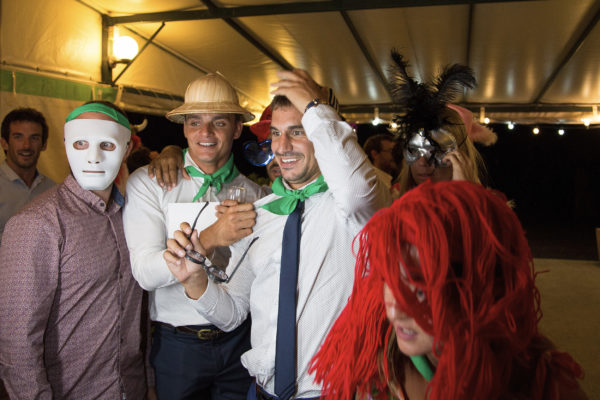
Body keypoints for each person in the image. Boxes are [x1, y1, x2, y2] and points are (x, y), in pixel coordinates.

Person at [164, 69, 391, 399]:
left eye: (298, 131)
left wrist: (314, 106)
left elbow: (355, 188)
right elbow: (232, 314)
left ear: (320, 130)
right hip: (263, 392)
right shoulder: (260, 212)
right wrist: (194, 281)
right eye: (276, 134)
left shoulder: (360, 206)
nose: (282, 146)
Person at [310, 180, 587, 400]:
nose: (396, 310)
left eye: (419, 289)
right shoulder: (378, 364)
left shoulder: (541, 382)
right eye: (390, 281)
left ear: (481, 289)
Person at [123, 73, 267, 399]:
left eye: (218, 122)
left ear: (237, 128)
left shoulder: (257, 195)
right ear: (185, 127)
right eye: (195, 122)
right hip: (178, 346)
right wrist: (212, 236)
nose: (205, 132)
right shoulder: (147, 183)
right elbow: (145, 273)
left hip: (240, 343)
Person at [0, 101, 149, 399]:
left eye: (106, 144)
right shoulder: (37, 223)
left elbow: (141, 314)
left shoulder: (134, 215)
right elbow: (18, 344)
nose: (93, 157)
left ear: (127, 149)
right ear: (66, 144)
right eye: (81, 143)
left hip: (131, 389)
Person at [387, 51, 496, 198]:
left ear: (460, 153)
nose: (422, 162)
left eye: (435, 151)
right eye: (413, 150)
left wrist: (467, 198)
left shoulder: (489, 212)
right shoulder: (393, 208)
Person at [0, 108, 55, 240]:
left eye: (34, 138)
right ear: (4, 143)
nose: (26, 145)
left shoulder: (53, 191)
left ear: (44, 144)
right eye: (18, 137)